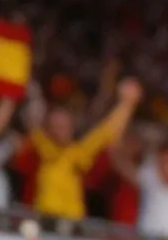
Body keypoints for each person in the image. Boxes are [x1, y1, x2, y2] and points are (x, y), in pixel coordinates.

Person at [23, 77, 141, 224]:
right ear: (49, 128)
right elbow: (32, 120)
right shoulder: (41, 146)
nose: (60, 130)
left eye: (64, 126)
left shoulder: (80, 152)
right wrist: (32, 90)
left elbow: (107, 131)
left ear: (72, 127)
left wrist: (126, 105)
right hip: (42, 221)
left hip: (72, 224)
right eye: (56, 126)